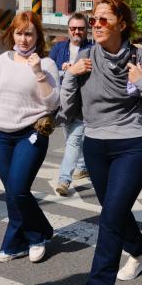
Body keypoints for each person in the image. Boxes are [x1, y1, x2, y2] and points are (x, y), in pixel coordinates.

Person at [60, 0, 142, 285]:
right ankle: (139, 252)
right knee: (114, 210)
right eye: (93, 20)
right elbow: (68, 110)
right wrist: (71, 76)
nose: (95, 25)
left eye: (103, 20)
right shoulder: (85, 57)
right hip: (95, 144)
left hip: (132, 144)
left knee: (109, 217)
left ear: (122, 24)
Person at [0, 11, 59, 263]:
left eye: (29, 33)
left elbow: (52, 103)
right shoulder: (3, 60)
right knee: (11, 192)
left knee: (18, 189)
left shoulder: (47, 64)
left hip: (31, 133)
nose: (24, 39)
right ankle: (29, 237)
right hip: (0, 135)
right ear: (12, 34)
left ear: (38, 36)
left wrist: (38, 72)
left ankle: (34, 237)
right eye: (19, 33)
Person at [49, 12, 93, 196]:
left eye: (81, 28)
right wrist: (64, 71)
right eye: (73, 28)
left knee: (73, 142)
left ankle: (64, 180)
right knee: (71, 139)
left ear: (86, 30)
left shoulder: (93, 48)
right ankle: (82, 166)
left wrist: (76, 71)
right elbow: (49, 73)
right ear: (68, 30)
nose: (77, 32)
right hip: (64, 104)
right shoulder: (58, 48)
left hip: (83, 105)